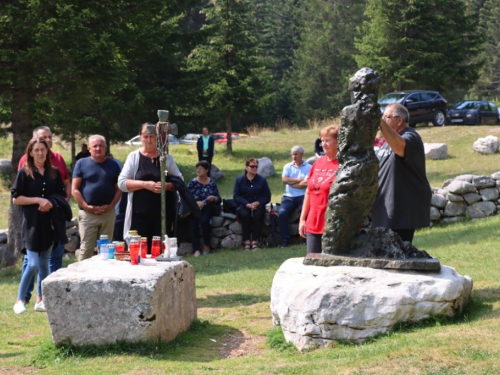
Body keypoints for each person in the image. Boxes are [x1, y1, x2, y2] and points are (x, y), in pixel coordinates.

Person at [12, 138, 68, 314]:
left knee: (45, 263)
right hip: (31, 224)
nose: (40, 153)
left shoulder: (54, 172)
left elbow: (60, 194)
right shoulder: (24, 172)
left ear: (47, 152)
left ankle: (40, 300)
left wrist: (50, 202)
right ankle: (20, 300)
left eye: (42, 150)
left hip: (49, 222)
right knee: (33, 263)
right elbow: (16, 198)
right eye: (36, 150)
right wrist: (38, 200)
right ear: (30, 152)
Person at [370, 103, 431, 243]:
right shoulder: (386, 141)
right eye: (383, 117)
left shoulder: (411, 137)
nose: (384, 120)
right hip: (382, 208)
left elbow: (400, 146)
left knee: (397, 256)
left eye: (387, 117)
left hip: (401, 211)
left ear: (399, 120)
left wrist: (378, 120)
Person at [118, 122, 183, 250]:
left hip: (162, 216)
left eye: (152, 136)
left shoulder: (166, 158)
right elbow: (122, 183)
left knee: (159, 251)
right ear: (140, 137)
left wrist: (166, 186)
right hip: (138, 215)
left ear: (158, 137)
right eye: (145, 136)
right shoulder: (134, 157)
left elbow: (180, 180)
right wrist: (145, 184)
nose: (148, 140)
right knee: (139, 251)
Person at [72, 135, 122, 261]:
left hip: (107, 213)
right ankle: (81, 279)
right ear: (89, 148)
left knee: (106, 250)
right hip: (88, 214)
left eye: (101, 146)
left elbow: (119, 189)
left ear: (105, 148)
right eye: (95, 146)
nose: (98, 148)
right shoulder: (81, 164)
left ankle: (104, 277)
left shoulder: (113, 165)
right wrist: (86, 206)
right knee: (86, 249)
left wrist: (111, 206)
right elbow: (75, 189)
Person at [299, 125, 340, 254]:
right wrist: (302, 219)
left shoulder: (343, 165)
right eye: (322, 140)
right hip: (313, 224)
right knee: (313, 265)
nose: (324, 144)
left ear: (338, 142)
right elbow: (308, 193)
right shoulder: (317, 163)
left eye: (327, 140)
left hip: (333, 226)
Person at [233, 158, 271, 250]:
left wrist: (258, 203)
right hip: (243, 205)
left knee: (258, 215)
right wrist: (246, 204)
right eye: (252, 166)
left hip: (258, 205)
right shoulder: (239, 180)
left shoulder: (262, 180)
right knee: (245, 215)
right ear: (246, 168)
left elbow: (267, 196)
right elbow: (236, 195)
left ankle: (255, 241)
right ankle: (246, 241)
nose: (254, 168)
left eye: (256, 166)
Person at [279, 146, 311, 248]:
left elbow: (307, 182)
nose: (294, 156)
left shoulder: (309, 167)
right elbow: (284, 180)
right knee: (282, 214)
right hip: (289, 197)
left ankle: (306, 239)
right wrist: (299, 180)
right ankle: (285, 240)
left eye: (296, 154)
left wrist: (291, 181)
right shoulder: (287, 166)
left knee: (307, 215)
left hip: (303, 196)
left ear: (302, 155)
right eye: (292, 154)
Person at [187, 160, 221, 257]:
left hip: (209, 207)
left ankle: (207, 245)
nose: (198, 170)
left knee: (204, 221)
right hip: (195, 207)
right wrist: (196, 203)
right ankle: (196, 249)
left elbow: (218, 199)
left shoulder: (212, 182)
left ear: (206, 170)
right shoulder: (193, 182)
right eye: (197, 168)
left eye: (200, 168)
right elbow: (187, 196)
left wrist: (213, 198)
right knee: (193, 223)